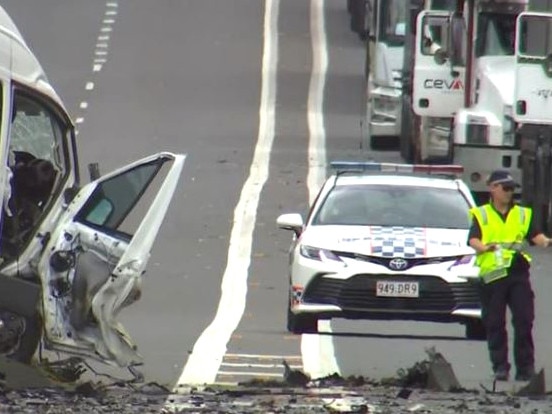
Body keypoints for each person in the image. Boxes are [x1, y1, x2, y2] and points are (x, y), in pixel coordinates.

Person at [468, 170, 551, 382]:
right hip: (493, 276)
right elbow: (473, 240)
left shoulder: (522, 214)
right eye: (505, 188)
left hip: (517, 273)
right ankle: (500, 367)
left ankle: (525, 368)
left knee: (524, 320)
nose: (509, 193)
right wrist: (484, 248)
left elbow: (535, 235)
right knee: (495, 323)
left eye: (512, 189)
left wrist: (546, 242)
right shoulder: (482, 214)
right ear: (493, 188)